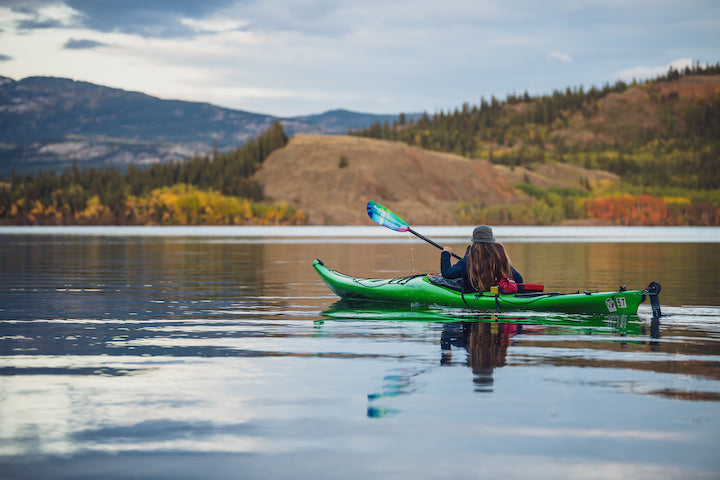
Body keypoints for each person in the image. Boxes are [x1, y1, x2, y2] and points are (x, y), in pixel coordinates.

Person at [441, 225, 522, 293]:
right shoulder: (499, 257)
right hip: (495, 293)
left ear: (474, 241)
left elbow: (447, 274)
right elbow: (519, 280)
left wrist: (446, 254)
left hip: (473, 294)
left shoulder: (470, 259)